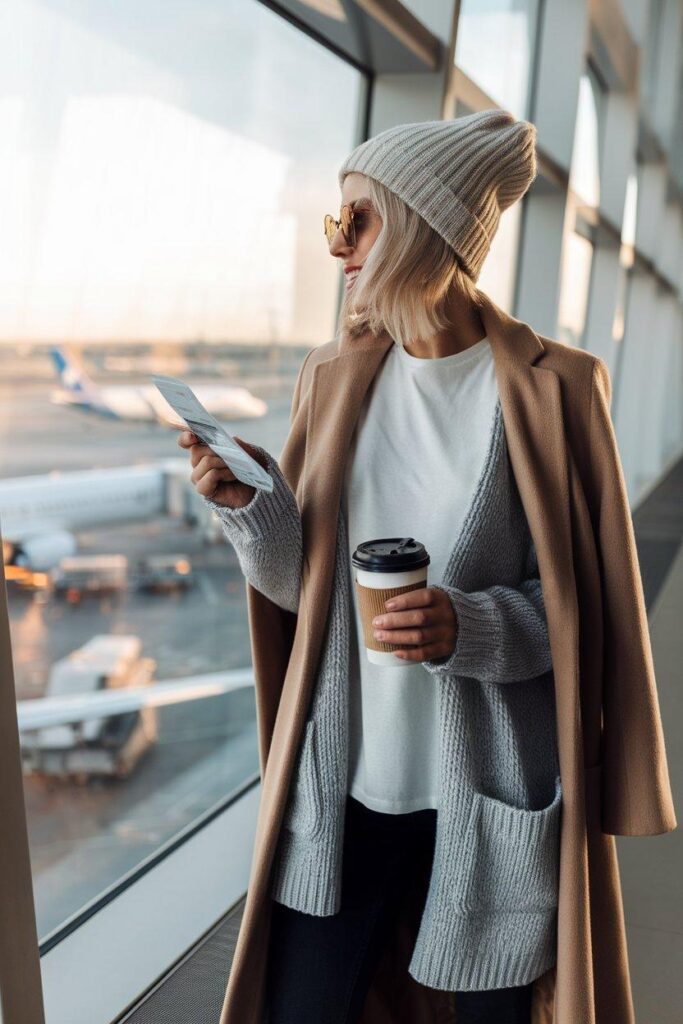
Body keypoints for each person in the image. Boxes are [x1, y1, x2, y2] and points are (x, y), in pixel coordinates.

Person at [177, 110, 677, 1024]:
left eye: (355, 220)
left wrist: (466, 627)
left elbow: (582, 616)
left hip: (489, 790)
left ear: (424, 225)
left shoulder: (556, 388)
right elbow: (305, 596)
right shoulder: (332, 376)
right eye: (334, 223)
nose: (337, 246)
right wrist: (253, 510)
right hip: (343, 785)